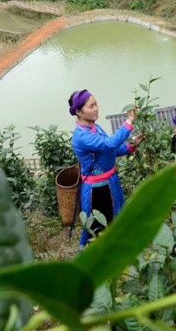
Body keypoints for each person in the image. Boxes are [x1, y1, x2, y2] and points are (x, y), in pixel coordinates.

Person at [69, 89, 140, 249]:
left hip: (110, 183)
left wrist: (130, 146)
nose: (96, 108)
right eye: (91, 106)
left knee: (114, 221)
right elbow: (109, 144)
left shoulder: (95, 127)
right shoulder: (81, 136)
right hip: (97, 190)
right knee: (98, 229)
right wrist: (129, 121)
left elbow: (110, 151)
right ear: (79, 112)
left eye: (96, 104)